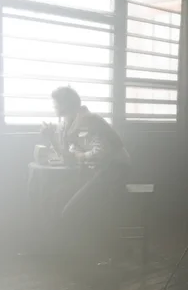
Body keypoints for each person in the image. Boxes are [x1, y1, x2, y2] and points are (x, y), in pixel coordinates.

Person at [41, 86, 130, 262]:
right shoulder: (67, 124)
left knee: (73, 208)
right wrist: (51, 138)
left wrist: (80, 156)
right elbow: (68, 157)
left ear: (65, 104)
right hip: (96, 171)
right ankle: (71, 249)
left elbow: (101, 152)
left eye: (56, 103)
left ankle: (104, 250)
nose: (54, 107)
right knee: (58, 195)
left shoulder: (90, 120)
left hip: (114, 169)